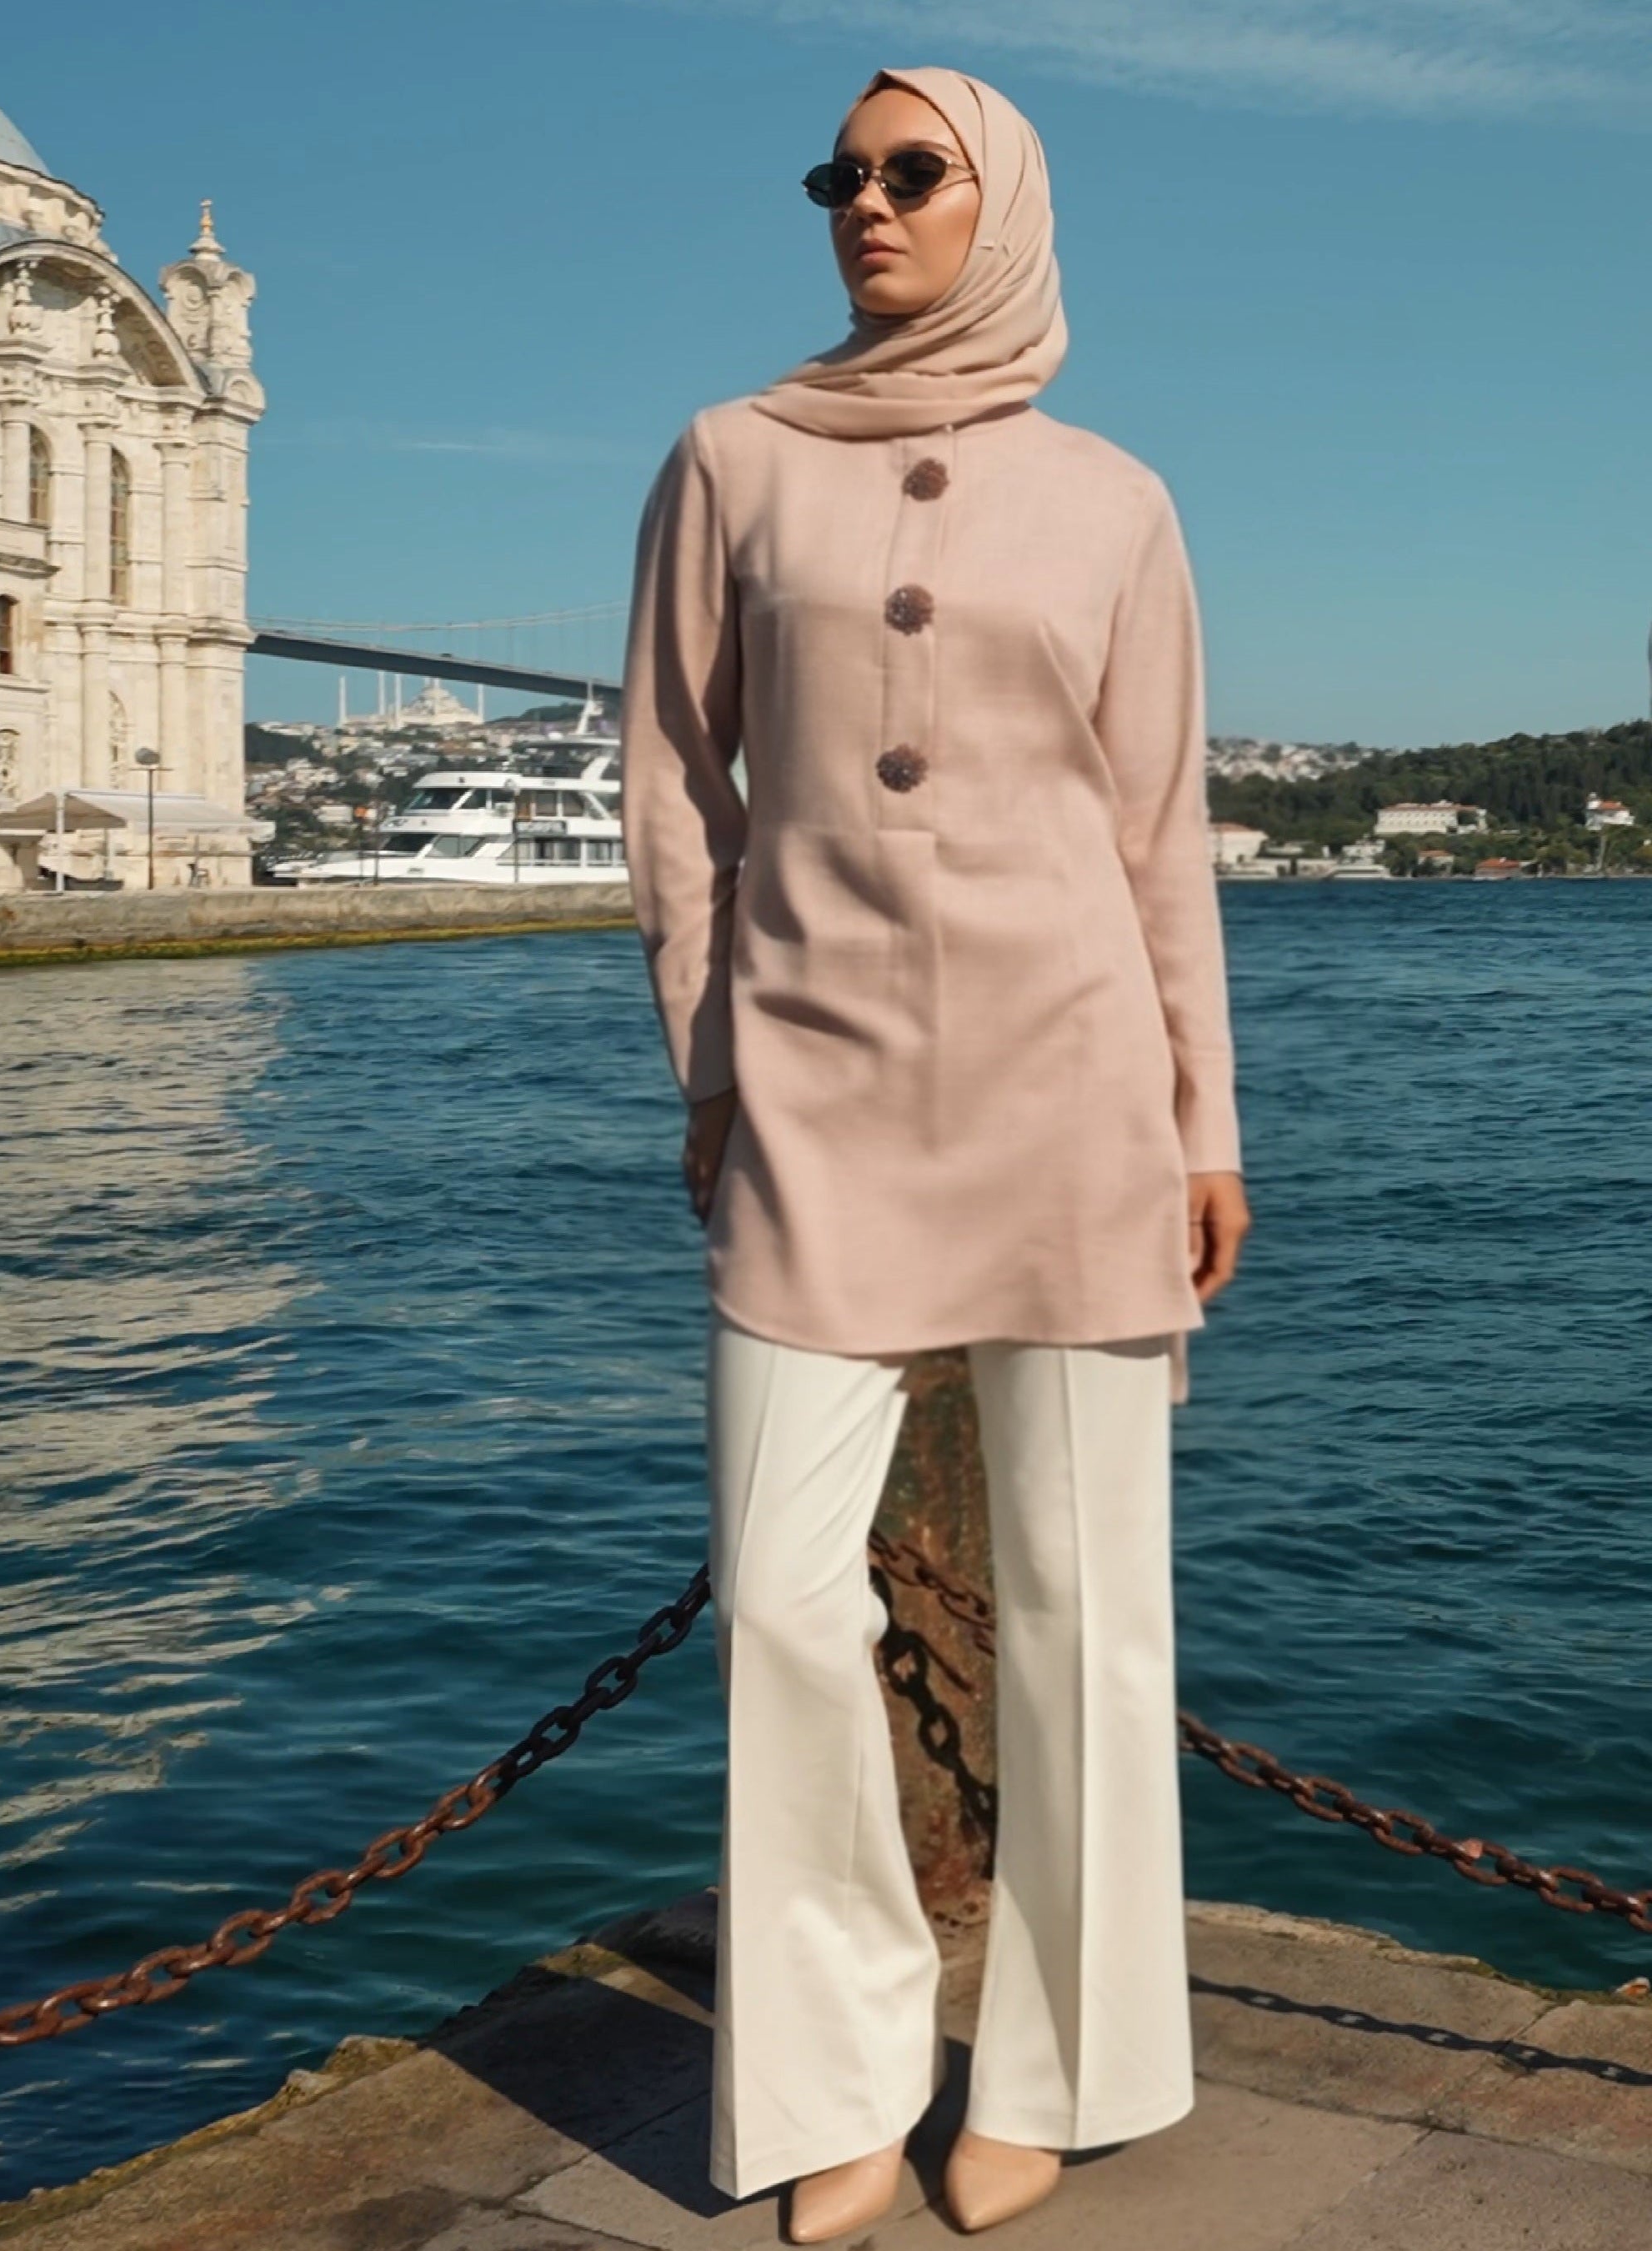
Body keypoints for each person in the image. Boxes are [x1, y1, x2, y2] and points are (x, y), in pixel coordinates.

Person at [619, 63, 1251, 2243]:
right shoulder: (729, 459)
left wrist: (1205, 1119)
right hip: (813, 1099)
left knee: (1086, 1613)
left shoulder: (1117, 502)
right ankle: (840, 2078)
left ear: (1010, 203)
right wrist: (714, 1066)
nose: (867, 205)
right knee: (784, 1595)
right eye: (842, 175)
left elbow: (1162, 834)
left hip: (1077, 1099)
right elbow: (674, 786)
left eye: (915, 173)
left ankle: (1062, 2068)